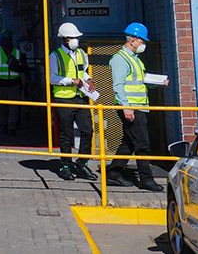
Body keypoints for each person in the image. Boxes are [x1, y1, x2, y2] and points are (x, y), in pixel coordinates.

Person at [106, 22, 167, 192]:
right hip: (131, 108)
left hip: (138, 107)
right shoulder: (120, 59)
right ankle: (146, 179)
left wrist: (158, 83)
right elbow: (118, 86)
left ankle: (114, 173)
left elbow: (139, 82)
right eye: (141, 41)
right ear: (132, 39)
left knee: (129, 143)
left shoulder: (135, 60)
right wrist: (126, 107)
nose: (143, 44)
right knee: (142, 144)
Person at [49, 22, 98, 181]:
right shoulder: (55, 56)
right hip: (63, 98)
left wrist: (89, 79)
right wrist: (71, 81)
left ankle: (82, 163)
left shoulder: (81, 53)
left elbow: (82, 71)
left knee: (87, 131)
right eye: (73, 38)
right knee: (66, 134)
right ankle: (65, 165)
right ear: (64, 39)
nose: (76, 40)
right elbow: (52, 78)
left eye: (77, 38)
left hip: (81, 98)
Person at [0, 30, 25, 135]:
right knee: (11, 108)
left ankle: (8, 126)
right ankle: (9, 126)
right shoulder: (15, 52)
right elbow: (24, 68)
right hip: (7, 84)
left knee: (8, 108)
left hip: (6, 85)